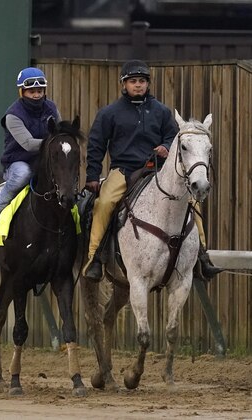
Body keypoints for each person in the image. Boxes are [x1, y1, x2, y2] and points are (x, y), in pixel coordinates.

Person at [82, 59, 222, 281]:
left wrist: (166, 147)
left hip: (156, 170)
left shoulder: (162, 112)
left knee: (191, 202)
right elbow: (96, 146)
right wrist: (92, 176)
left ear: (148, 84)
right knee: (105, 202)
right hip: (123, 171)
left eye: (142, 81)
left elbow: (172, 136)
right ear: (124, 84)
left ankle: (202, 257)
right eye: (133, 81)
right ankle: (95, 258)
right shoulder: (109, 113)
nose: (138, 85)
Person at [0, 67, 60, 230]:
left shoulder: (52, 108)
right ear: (22, 92)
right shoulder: (13, 115)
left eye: (40, 91)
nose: (36, 95)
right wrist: (52, 144)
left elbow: (59, 132)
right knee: (23, 174)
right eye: (31, 91)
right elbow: (27, 144)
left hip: (43, 159)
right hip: (18, 161)